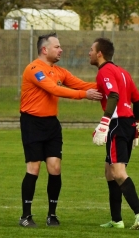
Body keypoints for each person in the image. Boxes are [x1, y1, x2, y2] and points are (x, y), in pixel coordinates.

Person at [19, 32, 102, 227]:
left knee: (55, 168)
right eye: (57, 46)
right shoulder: (34, 69)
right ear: (44, 49)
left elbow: (82, 84)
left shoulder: (59, 71)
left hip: (51, 124)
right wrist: (84, 95)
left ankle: (52, 214)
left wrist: (108, 84)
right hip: (32, 123)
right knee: (34, 168)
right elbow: (54, 89)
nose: (61, 49)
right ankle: (25, 216)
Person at [89, 37, 139, 230]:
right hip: (128, 124)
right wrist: (137, 126)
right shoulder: (122, 72)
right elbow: (138, 102)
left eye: (91, 50)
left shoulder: (105, 71)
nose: (89, 53)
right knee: (109, 172)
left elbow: (114, 95)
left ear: (100, 53)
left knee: (118, 172)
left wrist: (104, 122)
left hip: (117, 124)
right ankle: (117, 220)